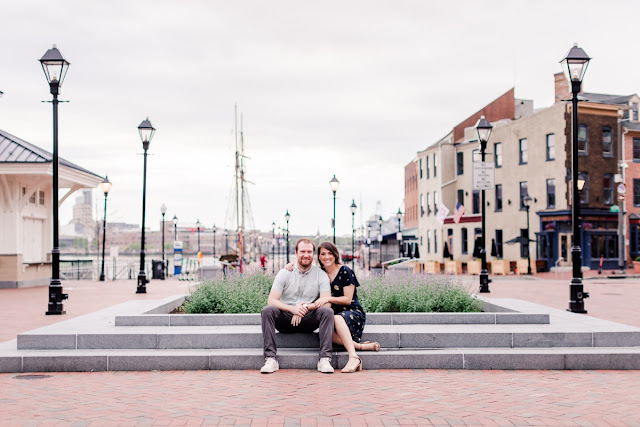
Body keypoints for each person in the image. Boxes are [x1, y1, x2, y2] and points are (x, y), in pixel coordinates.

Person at [286, 241, 380, 373]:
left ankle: (354, 357)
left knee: (336, 318)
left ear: (335, 255)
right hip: (331, 314)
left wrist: (328, 298)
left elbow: (347, 300)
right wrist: (291, 266)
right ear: (318, 257)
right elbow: (302, 269)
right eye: (323, 254)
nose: (326, 257)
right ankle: (360, 346)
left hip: (352, 312)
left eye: (330, 253)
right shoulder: (319, 273)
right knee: (323, 334)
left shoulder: (345, 271)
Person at [260, 238, 335, 374]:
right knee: (267, 310)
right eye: (302, 251)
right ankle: (271, 359)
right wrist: (292, 309)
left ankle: (324, 359)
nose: (306, 255)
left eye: (309, 252)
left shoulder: (321, 275)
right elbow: (271, 300)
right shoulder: (285, 273)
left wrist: (305, 307)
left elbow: (327, 301)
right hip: (285, 319)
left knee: (327, 311)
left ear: (313, 254)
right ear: (296, 252)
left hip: (309, 319)